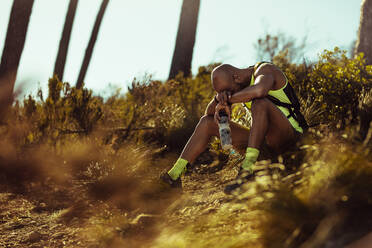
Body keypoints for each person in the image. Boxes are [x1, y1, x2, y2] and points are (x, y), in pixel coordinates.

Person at [160, 62, 308, 194]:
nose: (230, 96)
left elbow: (259, 90)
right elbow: (209, 114)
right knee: (207, 122)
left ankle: (247, 171)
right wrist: (218, 99)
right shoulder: (234, 86)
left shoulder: (265, 70)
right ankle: (174, 175)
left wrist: (230, 98)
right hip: (264, 147)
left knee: (260, 103)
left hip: (292, 139)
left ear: (236, 77)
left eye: (229, 91)